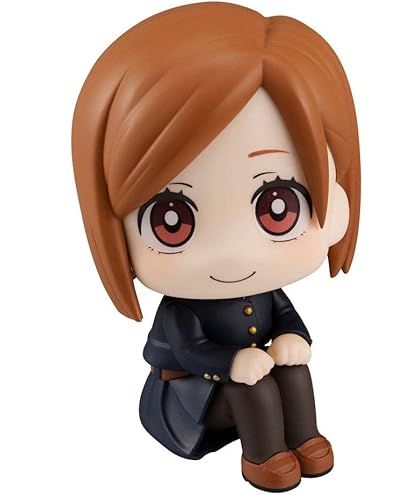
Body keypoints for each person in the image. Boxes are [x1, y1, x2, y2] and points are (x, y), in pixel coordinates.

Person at [72, 3, 360, 492]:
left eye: (277, 207)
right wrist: (231, 363)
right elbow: (189, 351)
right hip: (190, 400)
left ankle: (306, 440)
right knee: (253, 388)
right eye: (172, 220)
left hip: (249, 379)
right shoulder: (183, 309)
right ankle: (264, 458)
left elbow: (287, 321)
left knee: (293, 373)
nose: (232, 252)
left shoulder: (268, 294)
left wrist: (293, 339)